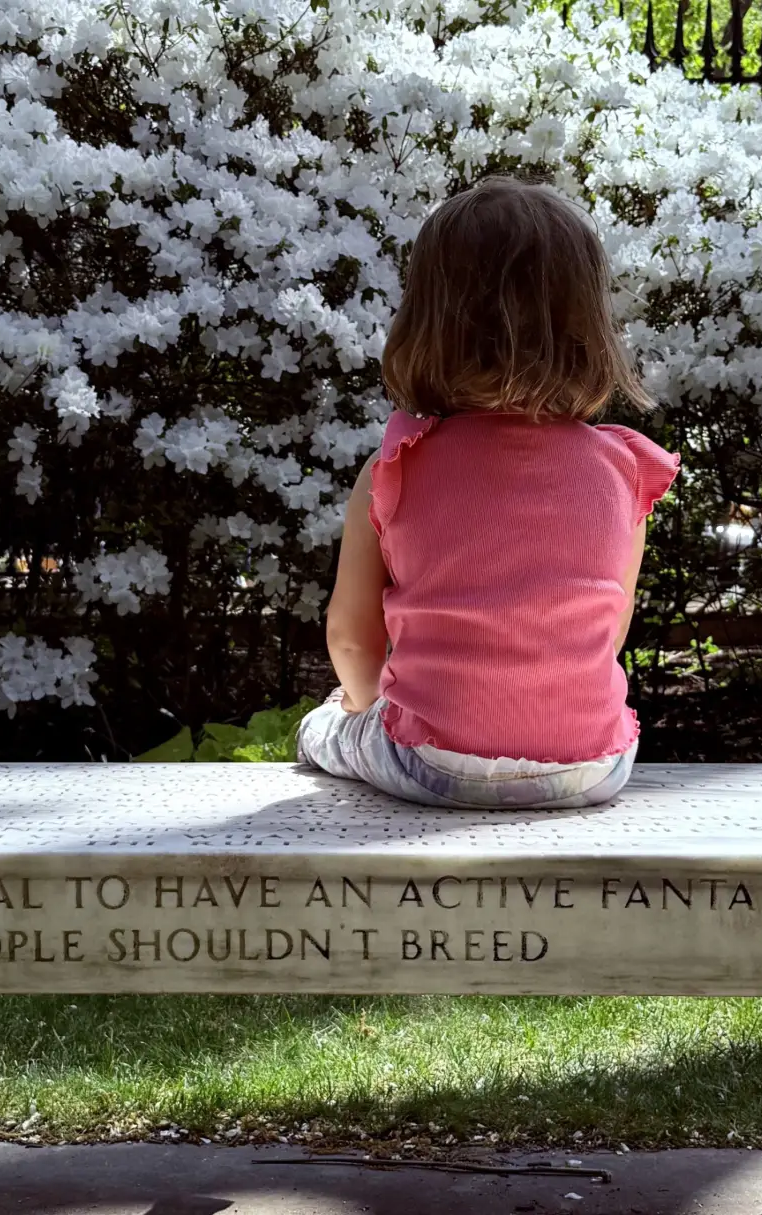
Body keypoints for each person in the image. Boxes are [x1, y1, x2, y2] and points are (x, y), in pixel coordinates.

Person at [294, 175, 679, 809]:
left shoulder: (396, 465)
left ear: (427, 322)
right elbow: (608, 632)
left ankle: (328, 730)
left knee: (325, 727)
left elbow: (352, 640)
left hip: (432, 762)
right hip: (594, 764)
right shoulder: (623, 468)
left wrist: (360, 708)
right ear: (587, 325)